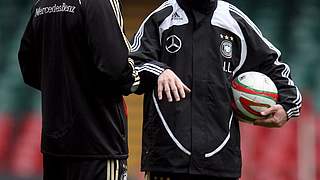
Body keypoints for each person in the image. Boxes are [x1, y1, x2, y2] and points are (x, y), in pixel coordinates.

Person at [129, 0, 302, 179]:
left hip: (220, 162)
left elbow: (273, 65)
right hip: (167, 161)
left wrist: (287, 106)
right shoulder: (161, 18)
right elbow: (131, 64)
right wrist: (160, 71)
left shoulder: (234, 20)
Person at [18, 0, 139, 179]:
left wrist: (62, 87)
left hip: (56, 148)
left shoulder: (41, 4)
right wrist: (144, 77)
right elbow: (117, 69)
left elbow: (28, 66)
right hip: (98, 145)